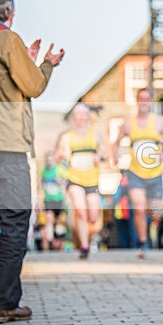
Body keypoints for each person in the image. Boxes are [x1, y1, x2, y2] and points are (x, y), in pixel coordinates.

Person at [0, 0, 64, 323]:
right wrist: (46, 64)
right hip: (6, 146)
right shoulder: (7, 39)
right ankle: (4, 303)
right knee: (14, 223)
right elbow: (33, 85)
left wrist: (20, 57)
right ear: (8, 13)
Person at [111, 88, 163, 259]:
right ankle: (143, 243)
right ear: (137, 101)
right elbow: (115, 143)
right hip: (136, 172)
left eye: (147, 99)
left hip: (155, 173)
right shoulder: (128, 123)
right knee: (138, 208)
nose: (144, 102)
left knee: (155, 211)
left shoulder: (159, 121)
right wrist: (114, 156)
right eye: (141, 98)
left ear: (150, 102)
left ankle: (152, 229)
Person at [55, 104, 108, 259]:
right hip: (74, 179)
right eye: (78, 114)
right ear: (74, 117)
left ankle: (90, 239)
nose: (81, 117)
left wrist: (100, 157)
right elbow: (58, 156)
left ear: (88, 117)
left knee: (93, 216)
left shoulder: (95, 136)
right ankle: (84, 247)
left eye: (83, 114)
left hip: (92, 180)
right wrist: (62, 155)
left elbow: (105, 154)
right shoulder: (67, 137)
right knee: (80, 211)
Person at [39, 151, 66, 251]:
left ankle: (59, 244)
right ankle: (50, 238)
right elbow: (41, 184)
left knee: (59, 222)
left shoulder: (60, 169)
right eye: (47, 160)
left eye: (51, 159)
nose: (49, 162)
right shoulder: (43, 170)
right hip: (48, 199)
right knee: (49, 218)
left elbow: (65, 182)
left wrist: (61, 182)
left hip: (58, 199)